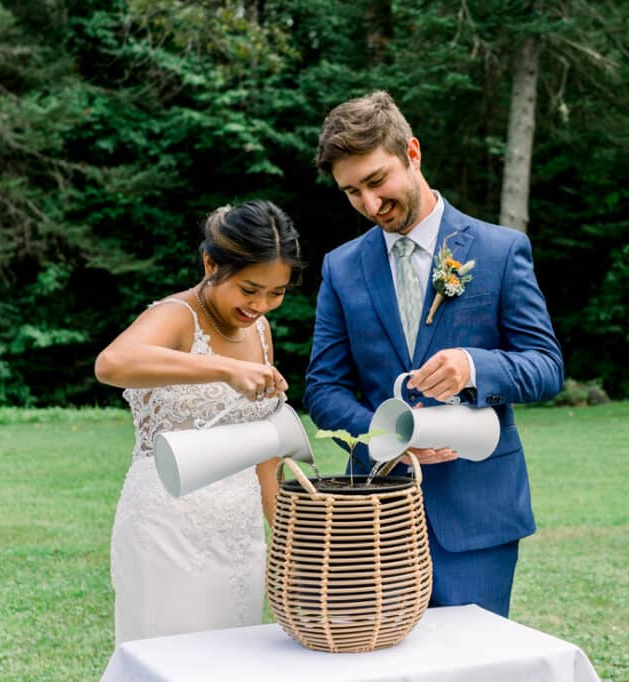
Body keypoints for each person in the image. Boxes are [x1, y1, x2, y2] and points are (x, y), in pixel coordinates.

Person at [304, 91, 564, 617]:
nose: (370, 205)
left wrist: (475, 366)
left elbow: (545, 365)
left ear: (413, 153)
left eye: (377, 182)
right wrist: (387, 440)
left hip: (477, 513)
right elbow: (323, 390)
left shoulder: (498, 250)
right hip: (378, 515)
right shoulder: (341, 267)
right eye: (352, 192)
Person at [94, 200, 303, 644]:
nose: (261, 305)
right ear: (211, 263)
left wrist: (285, 537)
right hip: (167, 525)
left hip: (239, 531)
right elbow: (111, 363)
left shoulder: (261, 331)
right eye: (249, 289)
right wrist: (224, 369)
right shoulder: (176, 316)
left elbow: (264, 444)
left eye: (276, 292)